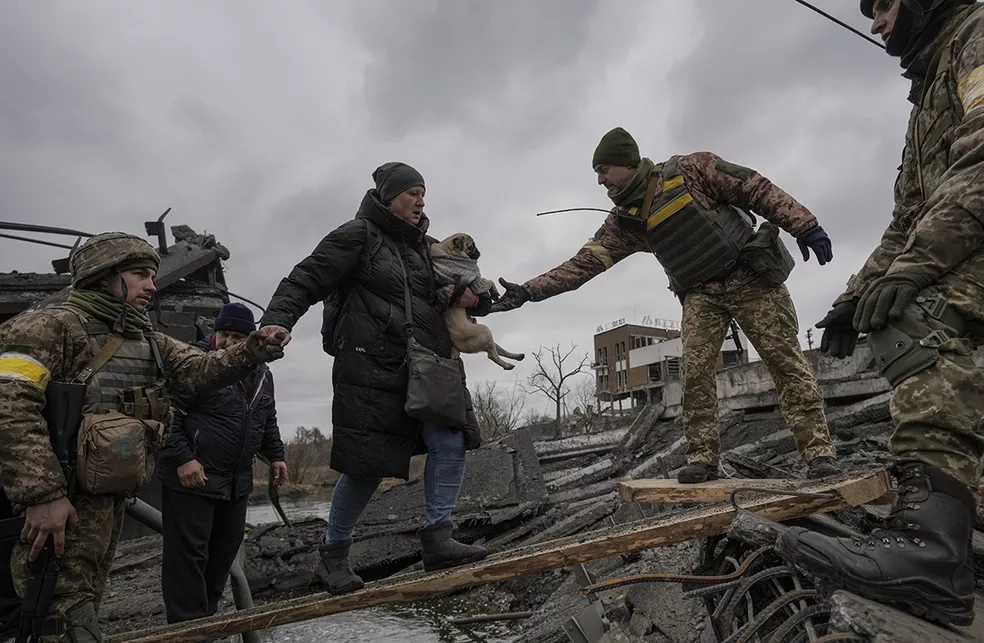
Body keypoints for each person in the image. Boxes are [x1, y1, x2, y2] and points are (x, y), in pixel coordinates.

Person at [777, 0, 984, 628]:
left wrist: (909, 273)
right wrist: (852, 297)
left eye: (885, 4)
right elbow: (906, 221)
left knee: (915, 316)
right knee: (884, 308)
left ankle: (931, 551)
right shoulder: (925, 103)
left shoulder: (977, 36)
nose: (875, 22)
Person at [490, 128, 842, 483]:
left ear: (627, 163)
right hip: (702, 295)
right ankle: (703, 458)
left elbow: (754, 186)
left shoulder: (691, 170)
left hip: (749, 277)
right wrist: (528, 291)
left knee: (786, 364)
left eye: (604, 169)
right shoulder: (624, 222)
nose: (599, 180)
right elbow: (582, 265)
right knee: (695, 374)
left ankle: (819, 455)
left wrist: (803, 224)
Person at [0, 232, 286, 642]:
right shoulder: (48, 327)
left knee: (81, 605)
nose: (152, 286)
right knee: (54, 615)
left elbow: (200, 370)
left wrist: (256, 348)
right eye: (139, 275)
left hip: (107, 501)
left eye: (153, 275)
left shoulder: (145, 339)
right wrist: (43, 495)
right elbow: (8, 405)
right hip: (58, 505)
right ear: (103, 276)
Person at [257, 162, 488, 595]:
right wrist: (277, 319)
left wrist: (487, 298)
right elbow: (306, 277)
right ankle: (333, 556)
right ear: (388, 195)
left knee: (450, 439)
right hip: (371, 366)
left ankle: (439, 538)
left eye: (423, 193)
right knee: (367, 465)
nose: (420, 200)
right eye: (411, 192)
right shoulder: (358, 235)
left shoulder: (430, 249)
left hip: (431, 363)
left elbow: (461, 290)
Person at [157, 302, 288, 624]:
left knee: (222, 557)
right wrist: (184, 458)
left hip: (235, 481)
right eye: (224, 334)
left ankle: (207, 621)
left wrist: (276, 455)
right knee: (188, 559)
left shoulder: (262, 373)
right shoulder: (193, 364)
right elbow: (163, 414)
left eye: (239, 336)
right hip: (191, 480)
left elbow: (265, 416)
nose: (230, 342)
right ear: (215, 333)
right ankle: (187, 628)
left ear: (251, 338)